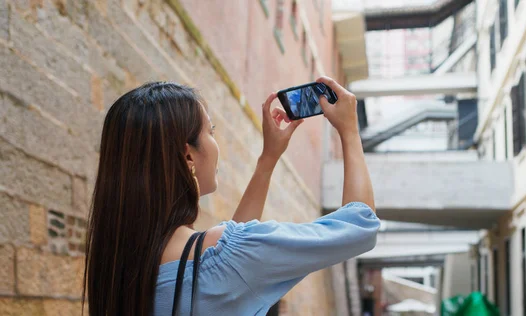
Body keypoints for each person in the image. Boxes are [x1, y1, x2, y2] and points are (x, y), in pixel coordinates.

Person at [83, 77, 380, 315]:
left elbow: (229, 268)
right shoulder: (231, 255)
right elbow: (361, 226)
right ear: (188, 156)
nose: (215, 142)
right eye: (210, 131)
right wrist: (349, 132)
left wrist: (267, 161)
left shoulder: (116, 266)